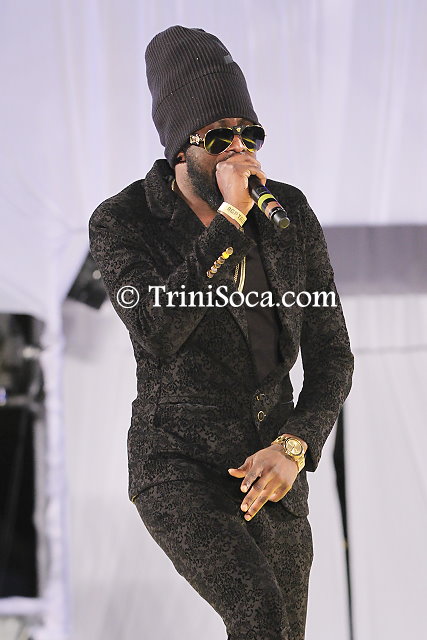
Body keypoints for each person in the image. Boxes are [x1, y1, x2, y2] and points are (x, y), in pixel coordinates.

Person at [88, 25, 354, 640]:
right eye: (217, 138)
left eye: (248, 134)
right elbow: (157, 328)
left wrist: (294, 446)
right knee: (258, 612)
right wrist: (229, 220)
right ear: (180, 149)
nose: (239, 151)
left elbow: (333, 355)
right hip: (180, 464)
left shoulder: (288, 213)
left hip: (272, 461)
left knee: (282, 630)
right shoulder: (124, 221)